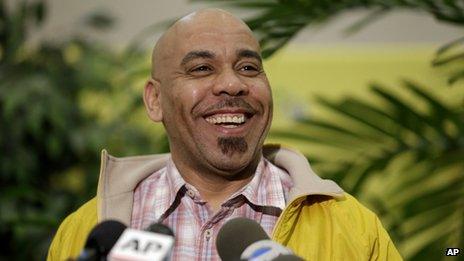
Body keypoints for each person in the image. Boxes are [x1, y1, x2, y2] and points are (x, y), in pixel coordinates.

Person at [47, 8, 402, 261]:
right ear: (155, 100)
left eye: (248, 68)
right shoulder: (85, 232)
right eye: (202, 68)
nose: (232, 84)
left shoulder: (352, 228)